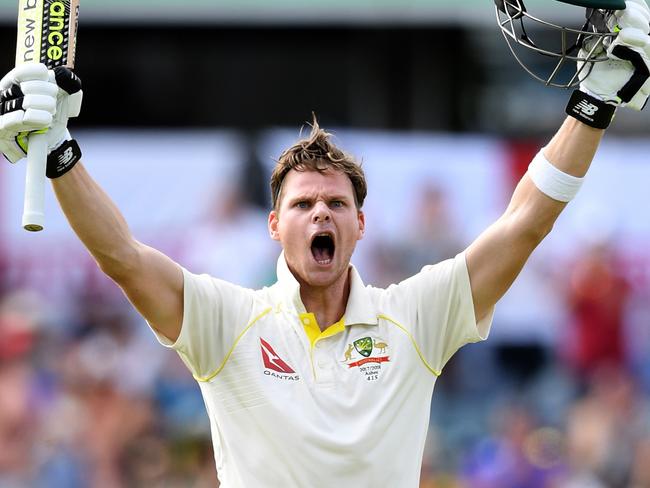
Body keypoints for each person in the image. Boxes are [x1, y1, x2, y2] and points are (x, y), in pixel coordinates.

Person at [1, 1, 649, 485]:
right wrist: (58, 150)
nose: (321, 215)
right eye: (303, 204)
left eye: (336, 203)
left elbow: (524, 223)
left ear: (360, 225)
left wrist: (593, 100)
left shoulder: (414, 317)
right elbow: (122, 256)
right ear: (274, 225)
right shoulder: (225, 321)